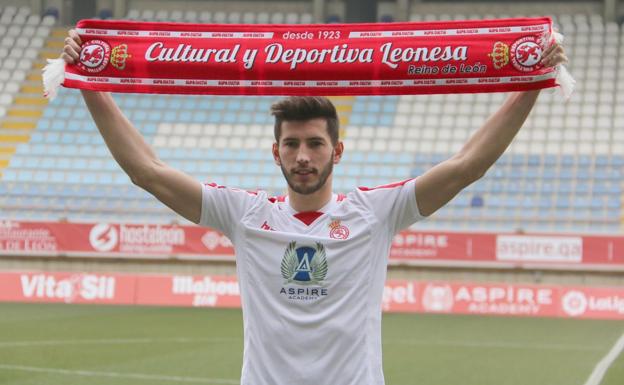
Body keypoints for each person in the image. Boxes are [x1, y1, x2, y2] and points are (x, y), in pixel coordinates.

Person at [61, 29, 567, 385]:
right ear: (275, 151)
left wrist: (531, 85)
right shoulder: (243, 214)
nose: (303, 156)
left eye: (316, 144)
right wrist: (89, 84)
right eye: (292, 144)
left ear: (337, 151)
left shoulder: (377, 212)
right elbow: (146, 171)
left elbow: (465, 166)